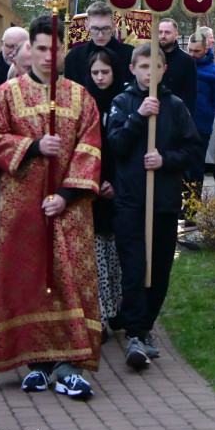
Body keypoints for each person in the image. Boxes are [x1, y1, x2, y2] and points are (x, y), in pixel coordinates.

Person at [0, 14, 102, 398]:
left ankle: (67, 363)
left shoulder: (81, 97)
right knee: (28, 280)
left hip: (67, 208)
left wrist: (65, 196)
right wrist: (33, 146)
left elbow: (90, 149)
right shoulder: (5, 95)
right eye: (41, 48)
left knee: (67, 281)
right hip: (22, 208)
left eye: (56, 48)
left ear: (65, 49)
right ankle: (33, 362)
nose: (49, 56)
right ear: (29, 50)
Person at [107, 44, 201, 369]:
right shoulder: (122, 103)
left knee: (159, 270)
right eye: (143, 66)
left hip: (163, 203)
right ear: (133, 69)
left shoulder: (175, 106)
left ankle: (146, 327)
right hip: (131, 202)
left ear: (163, 70)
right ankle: (134, 332)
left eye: (155, 66)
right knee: (134, 269)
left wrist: (165, 160)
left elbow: (192, 150)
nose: (149, 72)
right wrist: (139, 117)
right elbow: (117, 145)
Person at [86, 49, 124, 344]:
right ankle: (98, 314)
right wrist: (96, 182)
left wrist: (115, 182)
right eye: (95, 73)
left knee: (117, 253)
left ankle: (117, 311)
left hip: (120, 185)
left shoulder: (123, 101)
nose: (100, 78)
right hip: (93, 188)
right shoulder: (84, 103)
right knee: (97, 253)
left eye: (105, 72)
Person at [186, 33, 215, 202]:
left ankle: (193, 205)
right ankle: (182, 200)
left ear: (206, 49)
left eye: (196, 51)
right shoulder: (184, 64)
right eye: (189, 50)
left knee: (196, 166)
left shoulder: (214, 71)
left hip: (201, 124)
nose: (192, 54)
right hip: (181, 123)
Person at [64, 1, 133, 87]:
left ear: (114, 25)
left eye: (105, 28)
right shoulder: (74, 57)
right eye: (95, 29)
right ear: (87, 26)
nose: (100, 35)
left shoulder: (130, 54)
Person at [158, 18, 197, 116]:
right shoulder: (149, 56)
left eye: (167, 32)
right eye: (160, 32)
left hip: (174, 116)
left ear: (176, 35)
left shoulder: (187, 61)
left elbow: (190, 96)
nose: (163, 36)